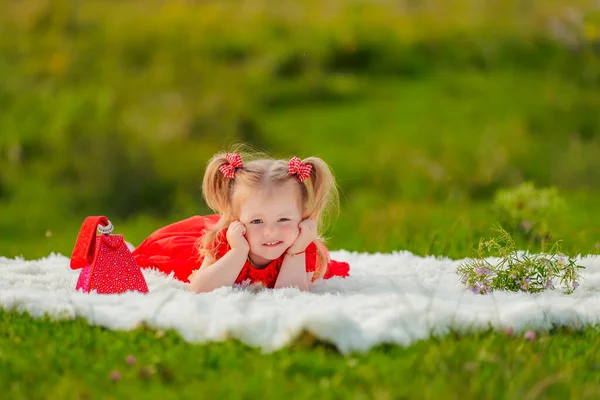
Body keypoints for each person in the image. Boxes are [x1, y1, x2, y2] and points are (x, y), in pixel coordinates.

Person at [132, 148, 350, 293]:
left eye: (283, 219)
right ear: (235, 218)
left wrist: (297, 249)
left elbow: (291, 294)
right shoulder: (223, 241)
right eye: (257, 221)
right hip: (214, 244)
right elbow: (199, 289)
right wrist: (238, 251)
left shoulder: (302, 245)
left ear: (302, 215)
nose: (270, 232)